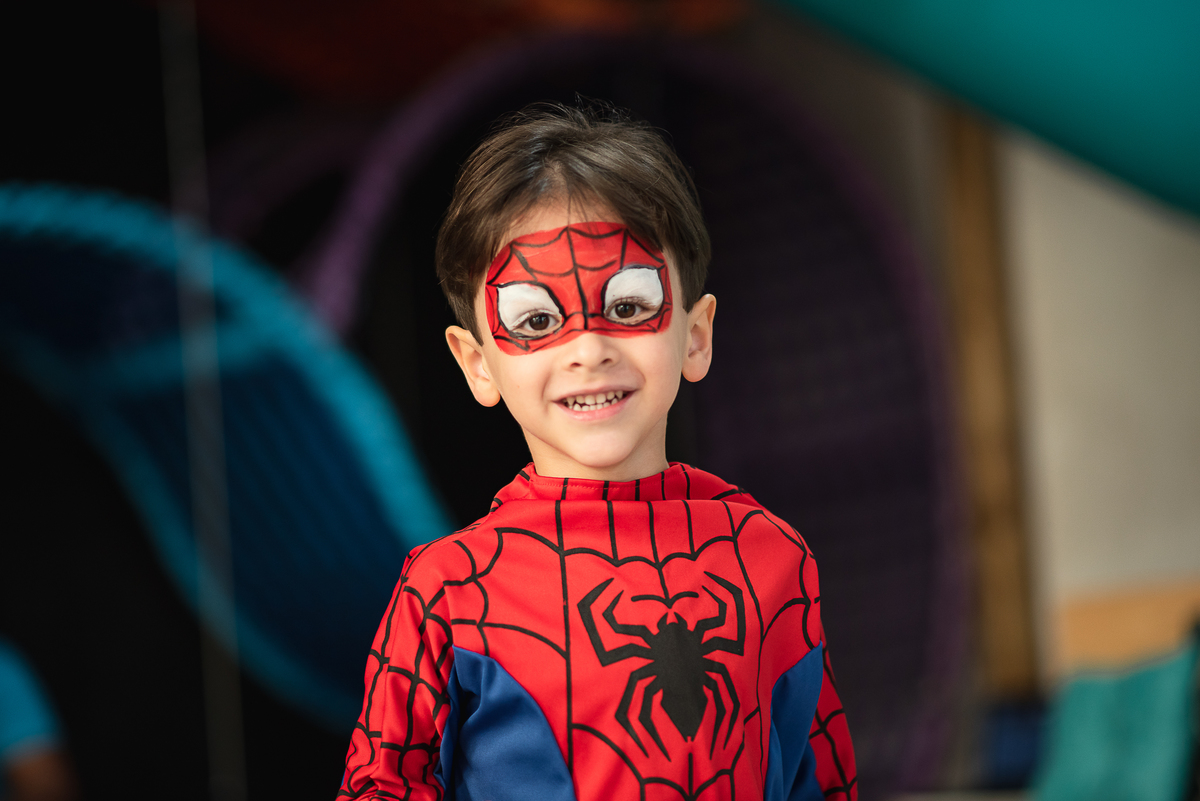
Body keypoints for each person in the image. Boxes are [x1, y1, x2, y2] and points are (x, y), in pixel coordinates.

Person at [337, 104, 857, 801]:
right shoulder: (447, 589)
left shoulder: (772, 557)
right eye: (536, 320)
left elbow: (820, 780)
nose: (588, 349)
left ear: (696, 334)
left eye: (629, 306)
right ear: (477, 364)